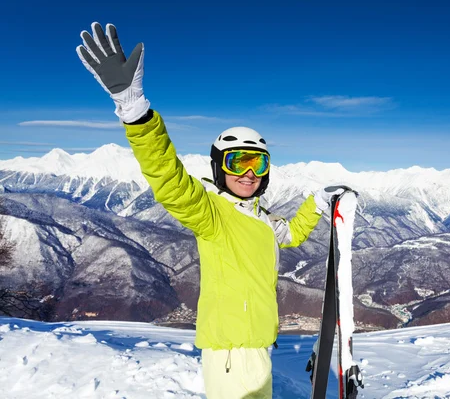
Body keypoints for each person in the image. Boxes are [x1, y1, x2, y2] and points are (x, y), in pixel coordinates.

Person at [76, 22, 345, 398]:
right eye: (238, 163)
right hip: (232, 355)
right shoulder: (213, 213)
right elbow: (168, 178)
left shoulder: (260, 217)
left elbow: (292, 233)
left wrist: (316, 204)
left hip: (255, 348)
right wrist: (135, 111)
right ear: (220, 167)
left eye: (259, 165)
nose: (249, 174)